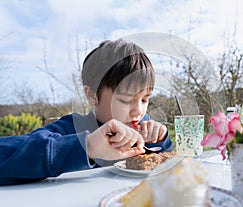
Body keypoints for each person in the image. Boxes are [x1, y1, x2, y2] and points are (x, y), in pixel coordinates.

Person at [0, 39, 173, 185]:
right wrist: (86, 147)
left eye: (144, 99)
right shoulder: (70, 129)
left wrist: (160, 141)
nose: (139, 111)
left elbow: (166, 168)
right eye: (127, 100)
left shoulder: (142, 129)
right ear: (92, 95)